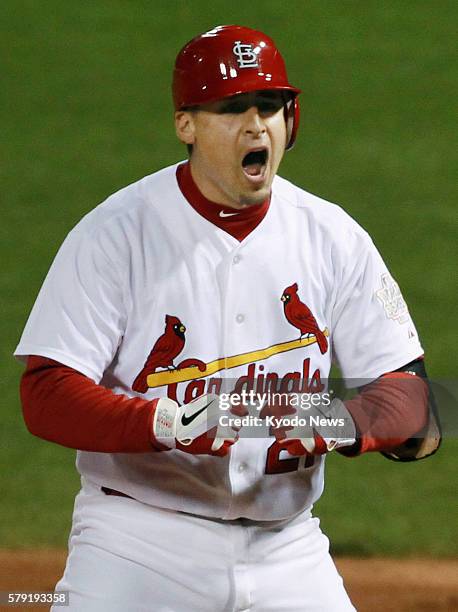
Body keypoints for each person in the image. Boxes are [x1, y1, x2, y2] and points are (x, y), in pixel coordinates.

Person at [15, 25, 440, 611]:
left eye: (269, 105)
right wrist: (163, 421)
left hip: (287, 547)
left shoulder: (333, 237)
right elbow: (46, 395)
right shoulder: (116, 234)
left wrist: (337, 418)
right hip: (136, 543)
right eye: (232, 107)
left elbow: (415, 402)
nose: (255, 124)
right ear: (185, 124)